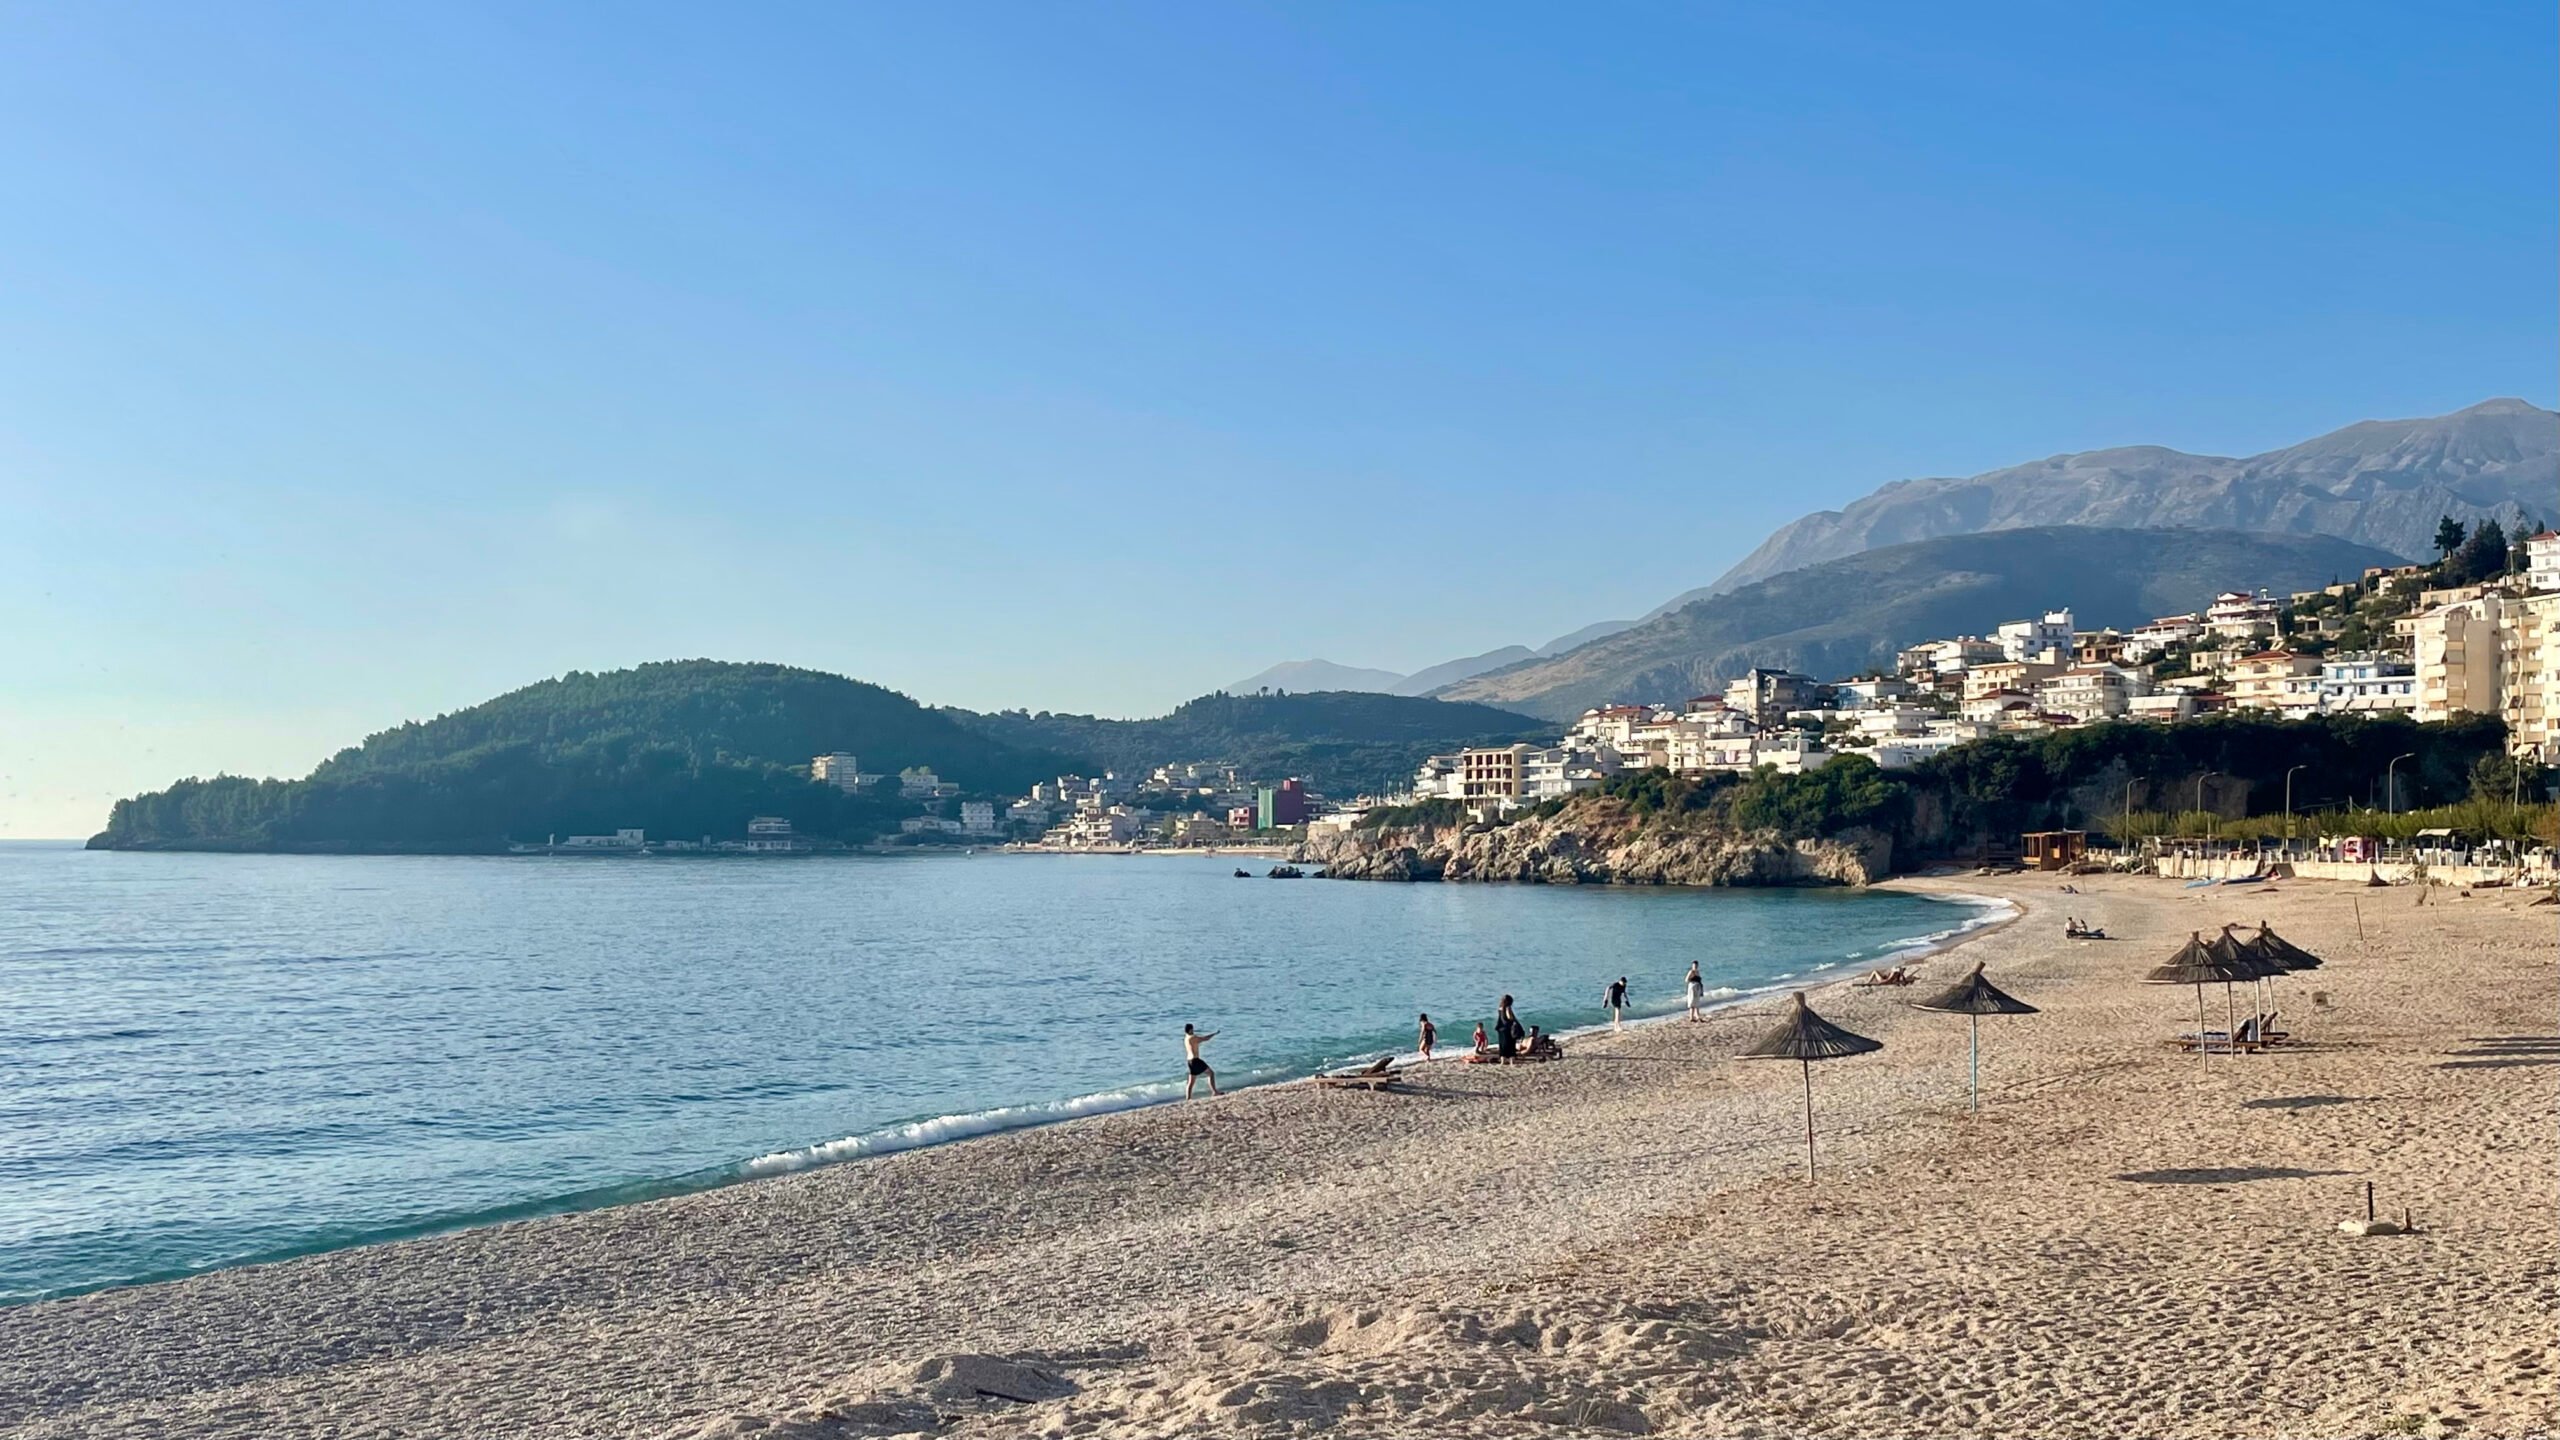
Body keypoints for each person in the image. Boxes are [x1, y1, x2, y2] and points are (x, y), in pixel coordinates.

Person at [1181, 1023, 1219, 1098]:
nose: (1193, 1031)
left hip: (1189, 1061)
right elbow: (1205, 1039)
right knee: (1211, 1073)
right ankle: (1214, 1092)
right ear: (1190, 1030)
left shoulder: (1186, 1038)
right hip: (1195, 1060)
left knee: (1191, 1082)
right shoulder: (1192, 1037)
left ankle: (1188, 1098)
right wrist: (1214, 1034)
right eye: (1192, 1029)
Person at [1494, 994, 1523, 1060]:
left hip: (1501, 1028)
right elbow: (1509, 1017)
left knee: (1503, 1046)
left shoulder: (1500, 1008)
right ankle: (1511, 1061)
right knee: (1510, 1045)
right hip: (1508, 1029)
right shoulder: (1508, 1007)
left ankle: (1502, 1061)